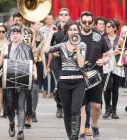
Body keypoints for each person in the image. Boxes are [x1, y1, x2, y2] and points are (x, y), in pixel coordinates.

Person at [0, 24, 37, 140]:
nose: (15, 35)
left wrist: (35, 73)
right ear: (10, 34)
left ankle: (20, 131)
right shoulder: (6, 48)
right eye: (13, 33)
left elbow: (32, 64)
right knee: (9, 107)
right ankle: (12, 124)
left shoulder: (27, 48)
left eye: (17, 33)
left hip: (23, 81)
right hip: (9, 81)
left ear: (21, 35)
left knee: (21, 106)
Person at [44, 21, 86, 140]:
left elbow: (81, 65)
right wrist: (51, 33)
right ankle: (70, 136)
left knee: (75, 110)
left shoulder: (82, 45)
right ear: (67, 32)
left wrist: (77, 47)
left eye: (75, 29)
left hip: (78, 82)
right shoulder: (61, 45)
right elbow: (46, 50)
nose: (74, 31)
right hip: (64, 82)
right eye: (71, 29)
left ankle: (74, 137)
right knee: (67, 111)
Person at [79, 11, 109, 140]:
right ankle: (81, 132)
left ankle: (94, 126)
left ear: (93, 23)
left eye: (89, 22)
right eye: (84, 22)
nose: (86, 24)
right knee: (82, 106)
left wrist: (104, 60)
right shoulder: (75, 36)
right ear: (80, 21)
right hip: (79, 76)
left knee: (97, 106)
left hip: (96, 76)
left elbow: (107, 54)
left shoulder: (98, 36)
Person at [47, 8, 70, 118]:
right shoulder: (55, 28)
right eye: (62, 14)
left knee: (66, 85)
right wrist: (48, 64)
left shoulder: (72, 28)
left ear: (69, 16)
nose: (64, 16)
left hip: (69, 61)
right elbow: (49, 47)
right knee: (60, 84)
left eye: (66, 14)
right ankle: (59, 106)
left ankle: (65, 106)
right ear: (59, 16)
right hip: (57, 62)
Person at [103, 20, 125, 119]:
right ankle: (107, 109)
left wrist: (120, 50)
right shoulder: (103, 39)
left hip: (117, 65)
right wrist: (109, 53)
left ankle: (114, 110)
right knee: (107, 87)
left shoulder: (120, 39)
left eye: (109, 26)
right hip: (106, 65)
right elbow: (101, 52)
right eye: (106, 26)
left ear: (114, 28)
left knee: (115, 89)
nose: (106, 28)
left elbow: (124, 53)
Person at [0, 23, 9, 117]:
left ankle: (9, 107)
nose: (1, 33)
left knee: (8, 88)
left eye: (3, 31)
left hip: (8, 66)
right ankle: (1, 107)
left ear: (6, 32)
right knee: (0, 89)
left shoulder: (9, 42)